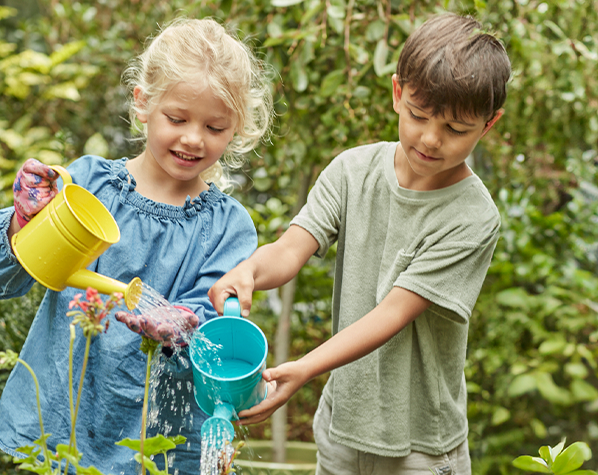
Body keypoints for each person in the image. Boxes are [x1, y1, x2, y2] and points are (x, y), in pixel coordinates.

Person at [208, 13, 511, 475]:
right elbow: (291, 248)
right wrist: (249, 271)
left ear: (488, 126)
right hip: (342, 427)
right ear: (397, 93)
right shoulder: (352, 171)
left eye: (455, 130)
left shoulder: (472, 217)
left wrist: (305, 367)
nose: (431, 139)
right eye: (419, 115)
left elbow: (393, 313)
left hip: (422, 446)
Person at [0, 18, 272, 474]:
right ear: (143, 104)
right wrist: (23, 221)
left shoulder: (228, 227)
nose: (193, 138)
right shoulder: (87, 187)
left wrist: (183, 327)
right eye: (177, 118)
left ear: (237, 129)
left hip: (157, 442)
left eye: (214, 127)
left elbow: (210, 338)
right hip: (63, 425)